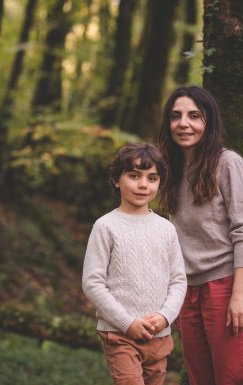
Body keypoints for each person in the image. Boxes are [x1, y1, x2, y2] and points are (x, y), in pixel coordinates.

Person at [158, 85, 243, 385]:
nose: (184, 123)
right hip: (189, 289)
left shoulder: (229, 163)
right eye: (176, 116)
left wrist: (239, 295)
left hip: (229, 283)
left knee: (233, 379)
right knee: (199, 378)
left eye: (194, 115)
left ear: (208, 122)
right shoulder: (170, 170)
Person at [82, 143, 187, 385]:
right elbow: (92, 283)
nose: (143, 185)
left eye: (152, 178)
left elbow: (178, 280)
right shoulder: (105, 227)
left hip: (159, 334)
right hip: (120, 334)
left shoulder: (166, 228)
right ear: (116, 180)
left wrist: (165, 316)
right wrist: (127, 323)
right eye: (134, 176)